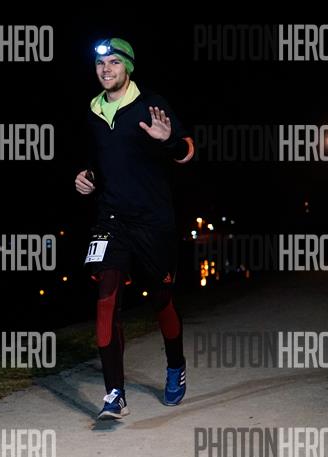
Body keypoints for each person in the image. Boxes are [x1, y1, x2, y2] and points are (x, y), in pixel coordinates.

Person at [75, 38, 194, 419]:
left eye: (113, 62)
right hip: (111, 219)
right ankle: (115, 394)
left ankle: (175, 365)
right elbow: (100, 162)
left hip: (153, 220)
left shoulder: (150, 105)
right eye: (100, 64)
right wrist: (87, 177)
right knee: (106, 298)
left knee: (161, 297)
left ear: (127, 66)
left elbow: (187, 151)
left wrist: (169, 140)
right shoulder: (93, 111)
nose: (106, 69)